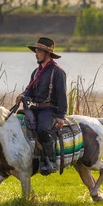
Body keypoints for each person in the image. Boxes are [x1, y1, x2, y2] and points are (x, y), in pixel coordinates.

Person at [16, 37, 67, 175]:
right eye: (36, 51)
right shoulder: (36, 72)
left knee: (43, 129)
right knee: (18, 123)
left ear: (47, 53)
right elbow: (29, 91)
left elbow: (62, 95)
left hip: (49, 110)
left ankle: (50, 161)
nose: (36, 54)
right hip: (34, 108)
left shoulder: (58, 72)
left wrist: (61, 116)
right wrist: (23, 95)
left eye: (38, 51)